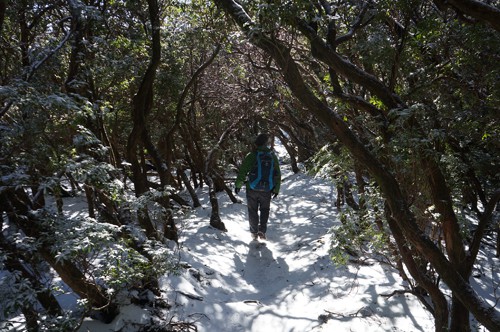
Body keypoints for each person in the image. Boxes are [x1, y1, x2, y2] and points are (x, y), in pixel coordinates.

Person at [235, 133, 281, 240]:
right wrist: (276, 189)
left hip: (252, 188)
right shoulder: (272, 156)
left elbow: (243, 172)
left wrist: (238, 185)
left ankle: (254, 233)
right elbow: (277, 174)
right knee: (265, 210)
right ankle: (262, 231)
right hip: (267, 189)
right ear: (266, 144)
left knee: (252, 210)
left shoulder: (252, 156)